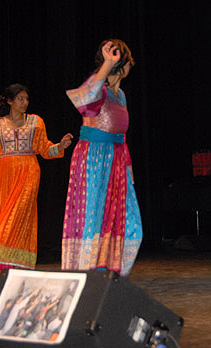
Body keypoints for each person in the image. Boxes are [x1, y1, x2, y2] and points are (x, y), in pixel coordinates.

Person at [0, 84, 73, 272]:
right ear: (10, 101)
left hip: (29, 172)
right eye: (20, 99)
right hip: (4, 175)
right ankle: (4, 259)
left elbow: (45, 149)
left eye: (26, 99)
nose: (24, 102)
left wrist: (60, 146)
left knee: (18, 213)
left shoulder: (36, 122)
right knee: (2, 213)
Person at [61, 39, 143, 276]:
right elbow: (84, 102)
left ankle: (106, 264)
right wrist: (107, 64)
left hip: (117, 159)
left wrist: (128, 167)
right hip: (94, 158)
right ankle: (88, 267)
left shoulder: (121, 95)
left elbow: (122, 134)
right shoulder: (99, 87)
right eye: (128, 62)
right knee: (93, 213)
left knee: (123, 216)